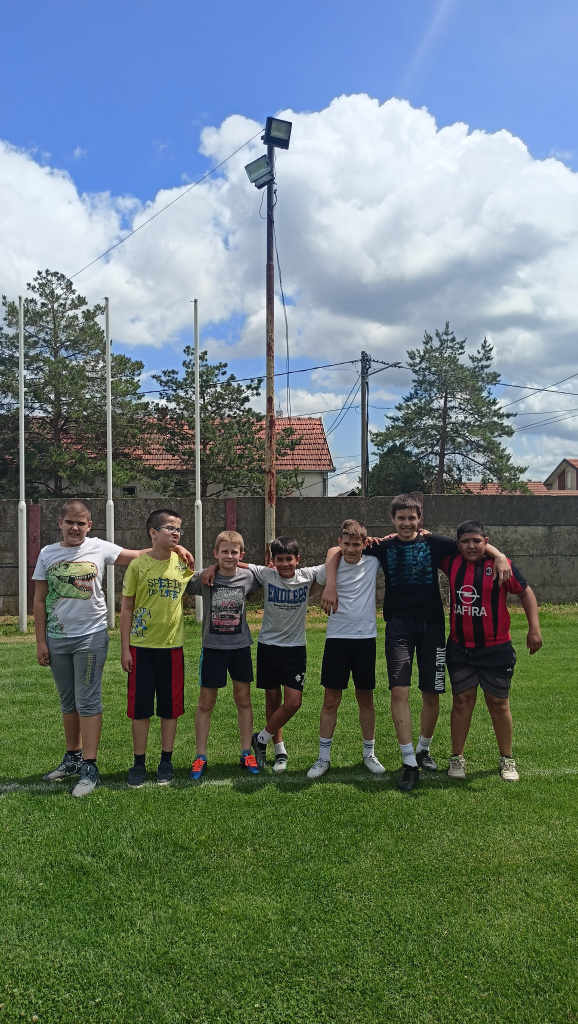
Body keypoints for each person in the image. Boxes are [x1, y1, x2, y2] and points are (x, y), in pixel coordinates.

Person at [322, 494, 511, 792]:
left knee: (431, 692)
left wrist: (498, 554)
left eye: (412, 518)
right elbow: (336, 549)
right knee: (399, 690)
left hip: (432, 627)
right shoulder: (382, 546)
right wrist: (330, 584)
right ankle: (409, 761)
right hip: (398, 627)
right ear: (393, 520)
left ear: (420, 519)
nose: (407, 523)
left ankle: (423, 749)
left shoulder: (434, 542)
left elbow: (470, 544)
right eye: (401, 518)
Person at [33, 498, 193, 797]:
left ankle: (89, 766)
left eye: (81, 523)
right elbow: (40, 600)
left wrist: (177, 546)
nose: (75, 528)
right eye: (70, 522)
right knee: (68, 702)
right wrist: (41, 640)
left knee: (87, 701)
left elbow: (143, 552)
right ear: (60, 523)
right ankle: (72, 757)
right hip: (57, 638)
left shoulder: (99, 547)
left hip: (91, 636)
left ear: (89, 525)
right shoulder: (47, 553)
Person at [440, 520, 542, 781]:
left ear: (486, 541)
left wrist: (534, 629)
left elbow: (526, 593)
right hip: (460, 647)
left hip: (496, 648)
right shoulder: (451, 562)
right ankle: (457, 758)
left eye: (477, 541)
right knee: (461, 701)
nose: (471, 546)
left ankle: (507, 759)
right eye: (465, 541)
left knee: (498, 703)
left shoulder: (501, 565)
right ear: (458, 544)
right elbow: (424, 538)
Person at [307, 519, 386, 780]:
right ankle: (323, 757)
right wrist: (329, 585)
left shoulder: (373, 562)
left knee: (366, 698)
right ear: (340, 543)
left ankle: (369, 754)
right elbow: (328, 560)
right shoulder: (331, 564)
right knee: (331, 699)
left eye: (356, 544)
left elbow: (395, 540)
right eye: (346, 544)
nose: (351, 549)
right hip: (337, 639)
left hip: (365, 639)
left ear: (365, 544)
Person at [120, 509, 195, 787]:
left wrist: (180, 549)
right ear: (153, 532)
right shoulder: (138, 566)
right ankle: (139, 763)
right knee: (140, 709)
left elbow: (202, 573)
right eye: (170, 528)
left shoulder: (183, 563)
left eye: (179, 529)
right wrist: (125, 649)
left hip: (171, 647)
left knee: (169, 708)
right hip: (140, 647)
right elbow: (126, 609)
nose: (176, 533)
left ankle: (166, 761)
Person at [187, 530, 261, 780]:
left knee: (244, 700)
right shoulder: (205, 577)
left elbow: (265, 574)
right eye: (224, 552)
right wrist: (209, 568)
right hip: (213, 649)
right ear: (215, 553)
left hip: (240, 648)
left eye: (234, 552)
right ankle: (200, 755)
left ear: (241, 555)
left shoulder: (248, 577)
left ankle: (246, 752)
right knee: (206, 703)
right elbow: (183, 581)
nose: (229, 556)